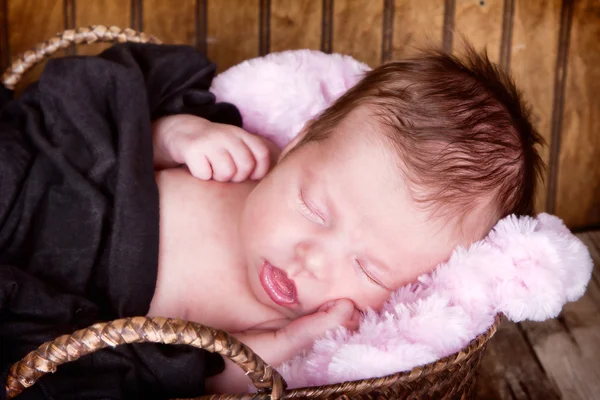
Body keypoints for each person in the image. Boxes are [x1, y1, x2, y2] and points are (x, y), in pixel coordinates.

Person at [0, 42, 542, 399]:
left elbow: (204, 376)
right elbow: (102, 124)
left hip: (37, 306)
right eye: (314, 208)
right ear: (300, 143)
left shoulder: (280, 329)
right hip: (39, 191)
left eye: (370, 270)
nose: (311, 259)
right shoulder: (237, 156)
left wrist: (279, 348)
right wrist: (170, 134)